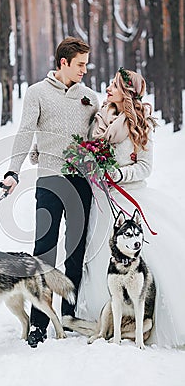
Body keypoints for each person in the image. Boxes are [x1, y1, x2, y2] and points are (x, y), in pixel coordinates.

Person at [76, 67, 185, 348]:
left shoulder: (141, 124)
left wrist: (118, 175)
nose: (108, 88)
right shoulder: (99, 119)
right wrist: (92, 167)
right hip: (102, 202)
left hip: (131, 199)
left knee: (146, 260)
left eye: (114, 85)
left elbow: (145, 168)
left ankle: (144, 319)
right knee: (99, 258)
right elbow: (89, 151)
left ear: (127, 92)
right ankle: (106, 316)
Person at [2, 37, 99, 347]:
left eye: (86, 63)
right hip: (49, 180)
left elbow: (100, 138)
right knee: (44, 251)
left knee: (76, 252)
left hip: (80, 183)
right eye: (80, 64)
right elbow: (24, 133)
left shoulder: (90, 98)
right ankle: (40, 321)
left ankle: (69, 316)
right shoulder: (38, 93)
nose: (85, 69)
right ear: (63, 64)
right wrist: (13, 170)